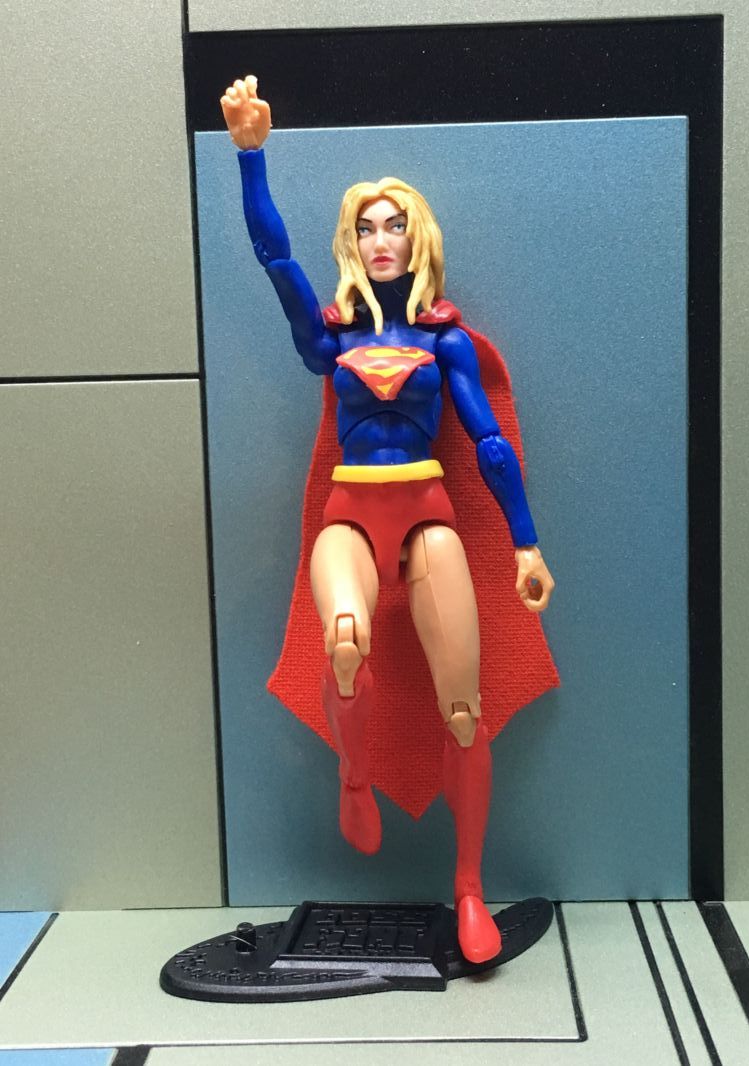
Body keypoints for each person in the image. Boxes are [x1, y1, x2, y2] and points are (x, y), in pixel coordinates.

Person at [221, 75, 555, 964]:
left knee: (463, 708)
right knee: (343, 639)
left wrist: (524, 541)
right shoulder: (329, 338)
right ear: (351, 240)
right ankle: (355, 774)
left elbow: (487, 443)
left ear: (418, 238)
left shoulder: (445, 341)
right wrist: (251, 156)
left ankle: (470, 888)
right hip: (349, 517)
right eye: (365, 226)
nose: (379, 239)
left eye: (394, 224)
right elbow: (274, 258)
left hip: (428, 517)